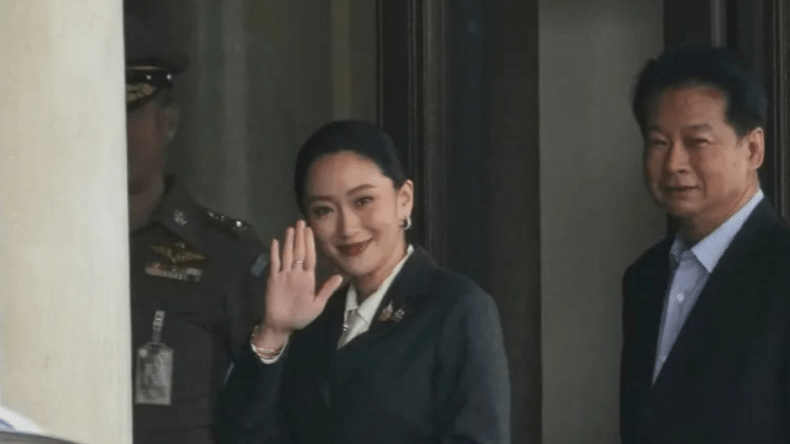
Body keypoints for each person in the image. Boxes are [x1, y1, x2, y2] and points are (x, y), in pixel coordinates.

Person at [216, 121, 510, 444]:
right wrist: (274, 331)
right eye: (324, 210)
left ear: (404, 200)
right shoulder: (314, 323)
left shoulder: (456, 308)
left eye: (363, 201)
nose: (347, 228)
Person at [620, 46, 790, 444]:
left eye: (697, 142)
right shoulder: (644, 277)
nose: (674, 163)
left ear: (753, 149)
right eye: (658, 142)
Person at [124, 14, 267, 444]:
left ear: (167, 123)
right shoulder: (39, 253)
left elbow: (263, 410)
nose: (111, 131)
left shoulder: (227, 256)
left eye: (130, 113)